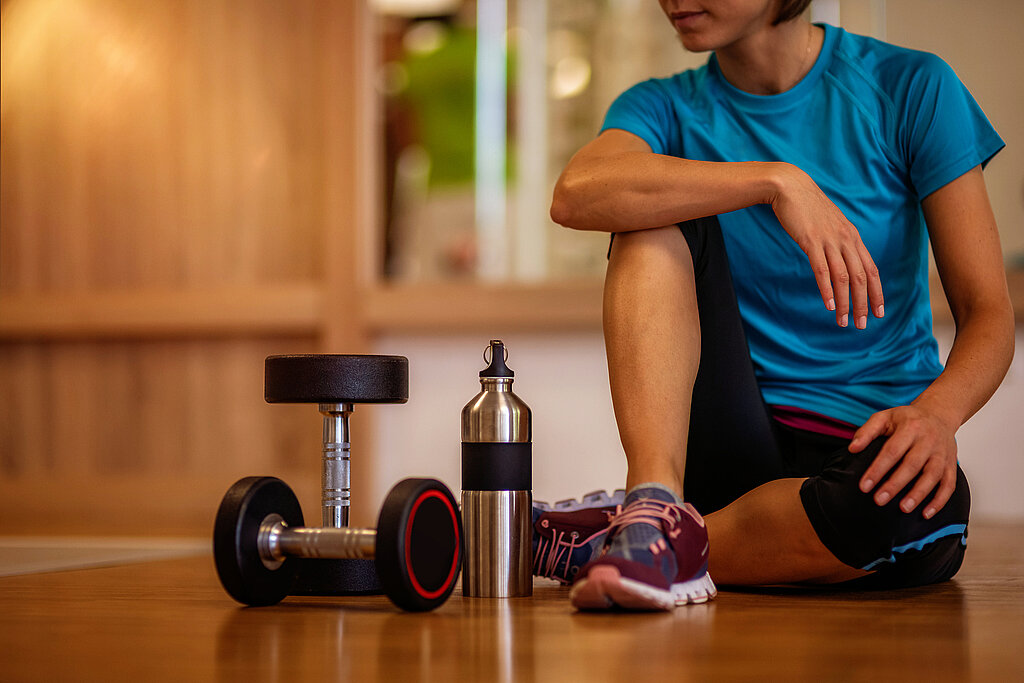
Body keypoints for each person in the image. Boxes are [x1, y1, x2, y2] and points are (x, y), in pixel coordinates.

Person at [531, 0, 1014, 611]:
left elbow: (988, 312)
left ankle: (634, 540)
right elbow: (577, 194)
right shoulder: (660, 105)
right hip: (725, 444)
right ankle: (653, 501)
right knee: (644, 211)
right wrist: (777, 181)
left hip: (863, 445)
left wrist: (937, 418)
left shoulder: (910, 85)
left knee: (920, 512)